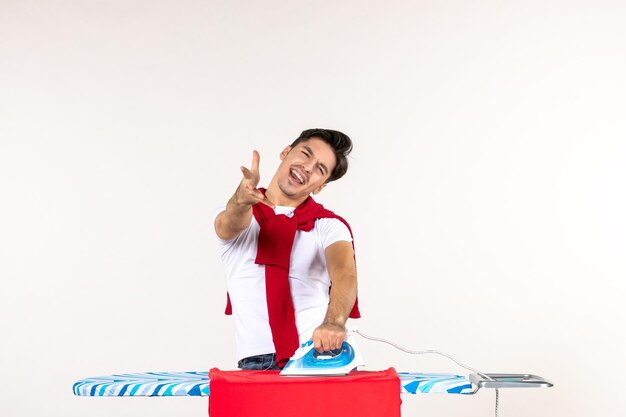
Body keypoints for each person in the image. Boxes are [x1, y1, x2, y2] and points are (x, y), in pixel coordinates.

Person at [213, 128, 360, 370]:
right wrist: (240, 200)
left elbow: (344, 273)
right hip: (256, 361)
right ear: (285, 152)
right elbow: (229, 223)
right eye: (305, 154)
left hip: (319, 356)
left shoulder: (329, 226)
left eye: (320, 169)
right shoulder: (242, 218)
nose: (308, 167)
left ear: (320, 187)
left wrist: (334, 323)